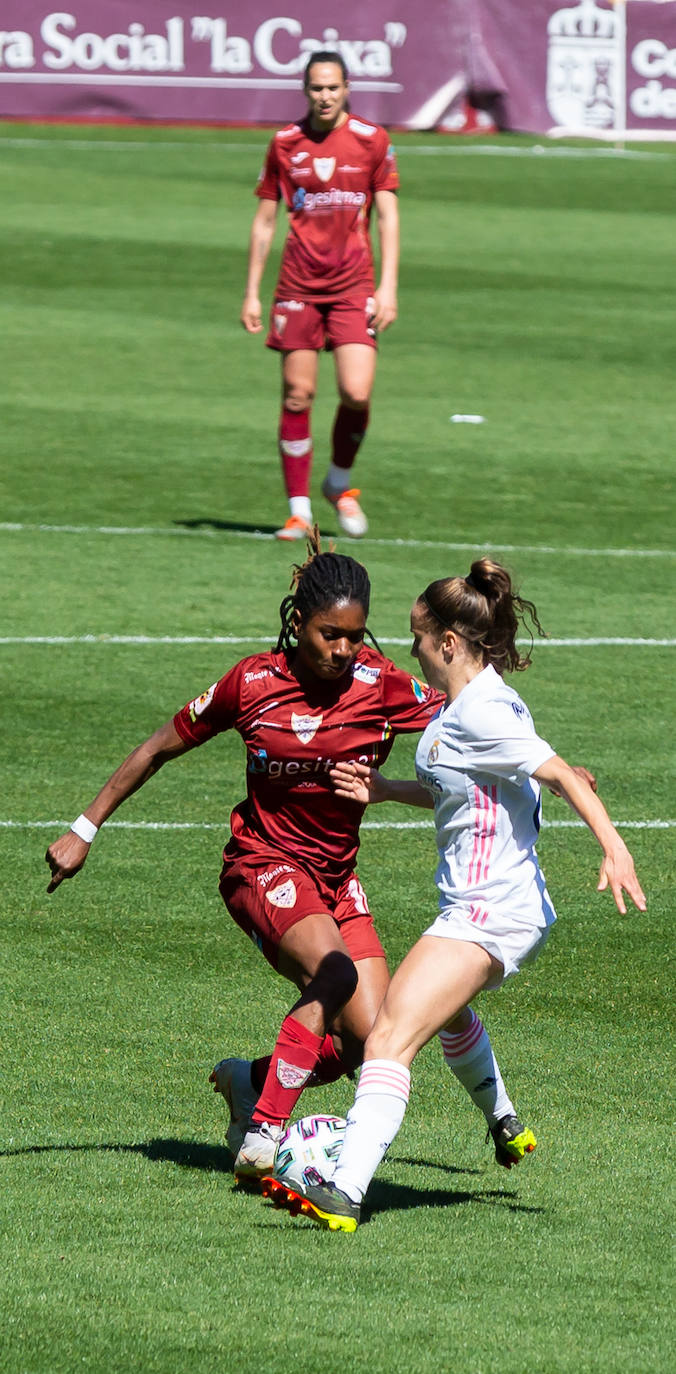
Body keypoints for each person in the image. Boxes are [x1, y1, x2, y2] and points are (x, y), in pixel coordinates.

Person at [44, 534, 442, 1183]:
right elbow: (156, 748)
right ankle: (264, 1132)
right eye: (328, 634)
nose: (342, 650)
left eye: (355, 636)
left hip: (337, 881)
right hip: (263, 866)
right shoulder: (253, 682)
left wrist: (550, 770)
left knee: (367, 1045)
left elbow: (470, 719)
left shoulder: (380, 684)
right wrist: (85, 827)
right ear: (298, 623)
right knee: (334, 974)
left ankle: (247, 1081)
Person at [265, 558, 647, 1231]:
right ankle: (503, 1120)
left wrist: (613, 849)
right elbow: (461, 782)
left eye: (416, 636)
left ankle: (344, 1188)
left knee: (386, 1039)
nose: (407, 647)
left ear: (447, 642)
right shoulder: (463, 710)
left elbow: (558, 770)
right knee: (444, 1013)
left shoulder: (485, 711)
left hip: (490, 913)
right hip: (483, 908)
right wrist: (386, 791)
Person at [240, 51, 399, 542]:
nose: (324, 96)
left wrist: (387, 286)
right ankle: (299, 511)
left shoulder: (372, 141)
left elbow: (388, 215)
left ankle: (339, 483)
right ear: (305, 91)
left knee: (356, 391)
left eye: (332, 87)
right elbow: (266, 220)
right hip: (298, 288)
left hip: (353, 286)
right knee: (298, 393)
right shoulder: (286, 143)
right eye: (316, 88)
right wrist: (252, 292)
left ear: (346, 87)